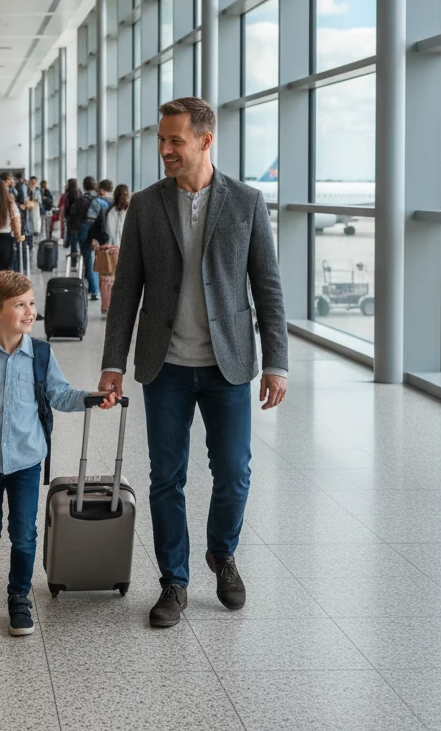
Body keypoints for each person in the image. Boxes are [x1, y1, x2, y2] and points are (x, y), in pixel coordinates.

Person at [98, 97, 288, 630]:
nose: (164, 150)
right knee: (167, 478)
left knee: (234, 473)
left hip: (228, 364)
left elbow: (267, 286)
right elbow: (128, 288)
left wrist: (277, 360)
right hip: (167, 367)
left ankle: (221, 553)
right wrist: (113, 362)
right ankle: (173, 582)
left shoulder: (248, 202)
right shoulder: (146, 205)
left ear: (205, 140)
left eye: (174, 140)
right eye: (161, 140)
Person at [0, 270, 116, 635]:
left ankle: (19, 595)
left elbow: (60, 394)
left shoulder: (41, 354)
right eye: (20, 305)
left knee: (24, 532)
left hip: (26, 460)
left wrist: (90, 399)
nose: (30, 311)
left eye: (32, 303)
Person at [94, 184, 129, 317]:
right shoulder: (131, 211)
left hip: (109, 250)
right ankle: (120, 308)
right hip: (124, 250)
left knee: (106, 280)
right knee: (123, 281)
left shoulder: (110, 211)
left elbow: (107, 231)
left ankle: (106, 307)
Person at [81, 179, 114, 302]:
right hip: (113, 239)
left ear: (101, 189)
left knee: (95, 265)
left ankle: (95, 291)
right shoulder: (115, 201)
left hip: (99, 238)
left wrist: (85, 238)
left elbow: (90, 221)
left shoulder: (97, 202)